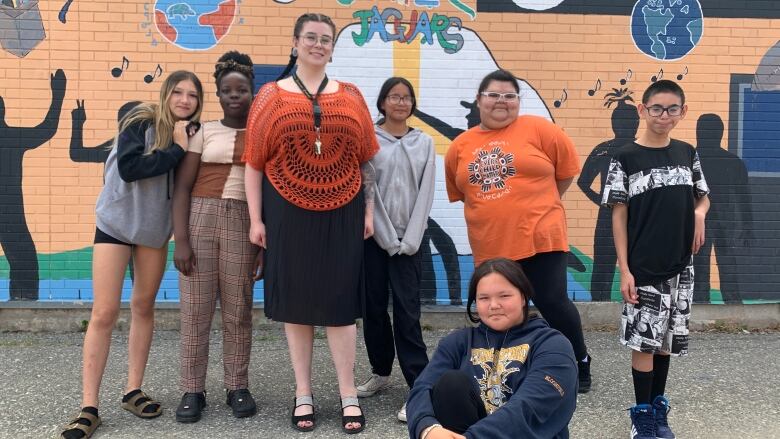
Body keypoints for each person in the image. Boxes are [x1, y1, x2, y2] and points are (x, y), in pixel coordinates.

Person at [242, 13, 378, 434]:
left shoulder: (352, 95)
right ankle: (303, 391)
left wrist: (369, 212)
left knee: (340, 306)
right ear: (295, 42)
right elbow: (254, 165)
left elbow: (366, 160)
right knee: (297, 305)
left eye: (326, 39)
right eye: (311, 37)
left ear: (333, 47)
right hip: (287, 211)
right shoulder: (270, 96)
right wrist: (255, 218)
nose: (319, 44)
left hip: (344, 210)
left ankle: (348, 392)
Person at [60, 71, 203, 439]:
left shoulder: (191, 133)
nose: (185, 100)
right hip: (116, 224)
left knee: (143, 307)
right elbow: (130, 167)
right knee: (104, 312)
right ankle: (89, 407)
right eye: (179, 92)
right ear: (166, 93)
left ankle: (132, 391)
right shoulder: (141, 121)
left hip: (153, 232)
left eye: (193, 95)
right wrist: (175, 150)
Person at [444, 69, 592, 392]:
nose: (502, 101)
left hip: (542, 237)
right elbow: (461, 193)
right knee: (503, 309)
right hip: (491, 245)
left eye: (510, 96)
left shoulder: (539, 129)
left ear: (518, 102)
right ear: (479, 100)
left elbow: (565, 174)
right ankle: (509, 367)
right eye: (494, 95)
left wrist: (540, 203)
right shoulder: (460, 147)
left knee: (552, 301)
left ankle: (579, 360)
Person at [601, 80, 710, 439]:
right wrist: (625, 269)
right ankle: (642, 417)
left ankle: (659, 406)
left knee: (666, 342)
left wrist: (698, 214)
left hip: (681, 266)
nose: (664, 115)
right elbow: (618, 215)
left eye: (672, 109)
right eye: (657, 108)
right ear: (643, 110)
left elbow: (703, 196)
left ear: (683, 112)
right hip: (644, 267)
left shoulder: (686, 151)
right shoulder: (625, 157)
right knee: (644, 341)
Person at [171, 51, 262, 423]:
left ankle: (236, 386)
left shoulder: (262, 133)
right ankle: (193, 389)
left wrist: (263, 249)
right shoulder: (203, 131)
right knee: (196, 310)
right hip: (201, 220)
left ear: (252, 92)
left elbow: (267, 193)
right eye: (228, 90)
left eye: (242, 89)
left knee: (238, 311)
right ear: (219, 94)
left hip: (243, 222)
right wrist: (182, 240)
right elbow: (182, 188)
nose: (235, 95)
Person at [406, 257, 578, 439]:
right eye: (484, 298)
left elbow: (531, 407)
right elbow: (422, 388)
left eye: (504, 296)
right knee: (451, 384)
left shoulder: (553, 345)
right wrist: (427, 428)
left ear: (523, 297)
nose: (494, 305)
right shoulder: (457, 343)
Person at [357, 77, 435, 423]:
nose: (400, 103)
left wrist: (412, 239)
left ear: (412, 103)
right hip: (374, 239)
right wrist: (388, 239)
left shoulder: (424, 143)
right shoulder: (369, 141)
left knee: (408, 313)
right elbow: (367, 191)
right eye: (394, 97)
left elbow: (426, 192)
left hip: (413, 241)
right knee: (373, 308)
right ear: (383, 102)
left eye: (406, 98)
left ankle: (419, 386)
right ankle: (381, 372)